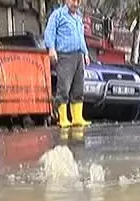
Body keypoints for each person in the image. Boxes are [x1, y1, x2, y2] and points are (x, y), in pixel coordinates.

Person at [44, 0, 91, 128]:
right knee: (63, 87)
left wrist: (85, 53)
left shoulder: (78, 18)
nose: (76, 4)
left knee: (78, 88)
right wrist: (51, 49)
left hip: (78, 56)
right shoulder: (57, 15)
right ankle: (63, 118)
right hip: (65, 56)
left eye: (78, 1)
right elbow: (49, 32)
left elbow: (81, 37)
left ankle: (77, 117)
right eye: (73, 1)